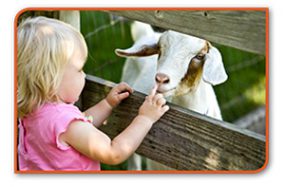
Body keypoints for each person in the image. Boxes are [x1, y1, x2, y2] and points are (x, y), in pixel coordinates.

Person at [17, 16, 169, 171]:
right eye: (79, 69)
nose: (83, 75)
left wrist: (107, 104)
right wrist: (145, 118)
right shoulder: (65, 123)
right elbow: (113, 152)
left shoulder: (34, 112)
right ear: (51, 78)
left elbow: (82, 124)